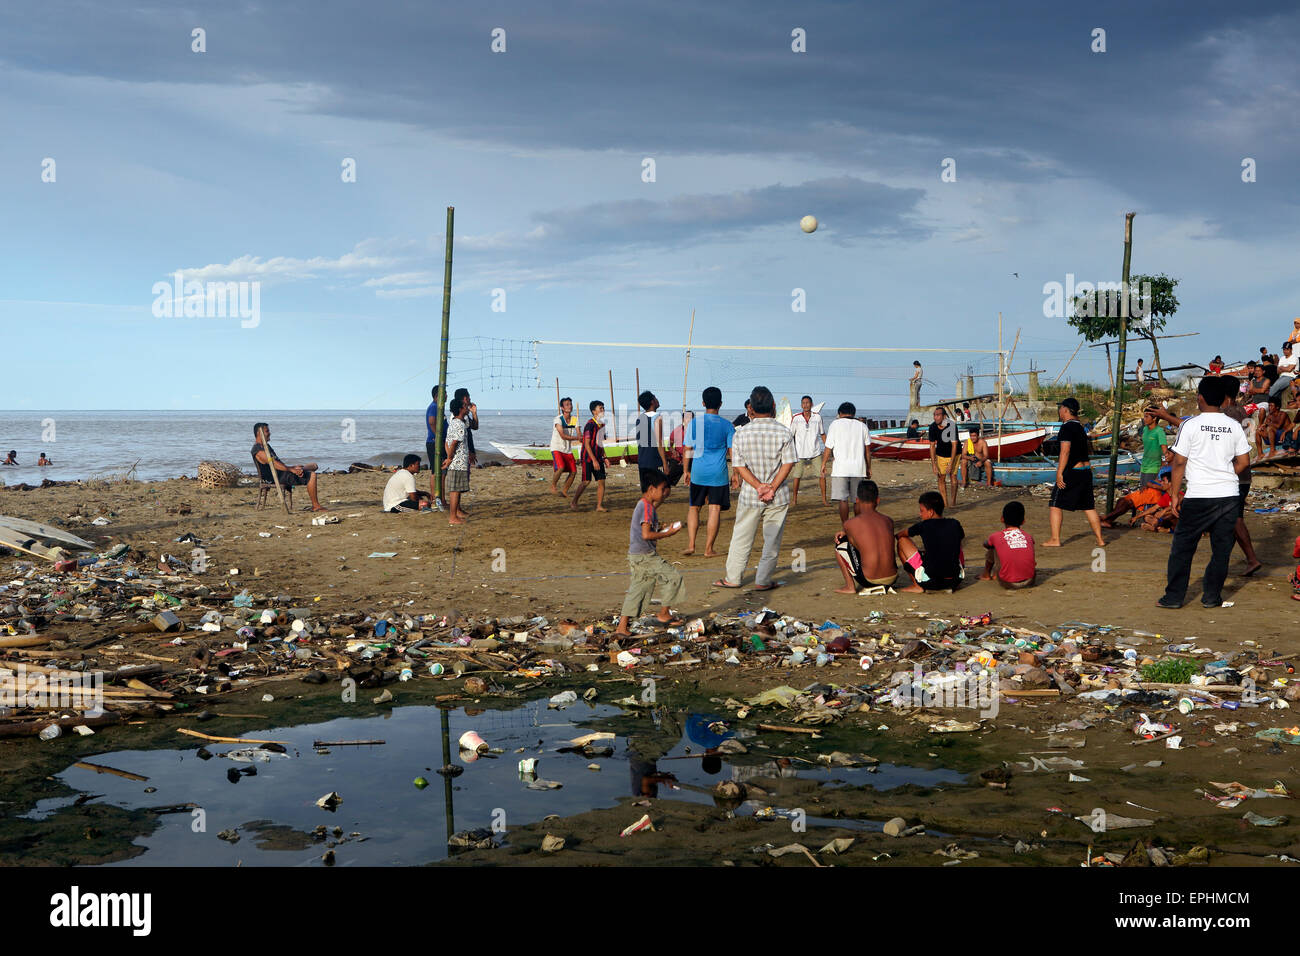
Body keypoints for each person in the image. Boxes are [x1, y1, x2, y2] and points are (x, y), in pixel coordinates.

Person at [1157, 376, 1251, 609]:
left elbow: (1179, 463)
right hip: (1229, 495)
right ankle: (1211, 597)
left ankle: (1174, 597)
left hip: (1199, 495)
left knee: (1183, 547)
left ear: (1200, 397)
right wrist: (1227, 475)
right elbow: (1244, 461)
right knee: (1221, 550)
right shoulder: (1234, 426)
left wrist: (1176, 494)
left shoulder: (1191, 425)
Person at [714, 386, 796, 591]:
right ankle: (763, 580)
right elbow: (788, 464)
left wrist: (759, 486)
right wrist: (771, 486)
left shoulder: (741, 433)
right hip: (777, 495)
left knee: (741, 536)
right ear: (774, 406)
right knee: (772, 540)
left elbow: (739, 466)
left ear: (751, 408)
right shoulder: (784, 432)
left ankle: (733, 578)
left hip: (751, 494)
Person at [615, 469, 686, 637]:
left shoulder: (645, 506)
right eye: (662, 491)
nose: (663, 495)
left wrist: (661, 528)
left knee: (638, 590)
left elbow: (646, 530)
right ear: (652, 489)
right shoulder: (646, 507)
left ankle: (622, 627)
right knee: (673, 577)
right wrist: (668, 533)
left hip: (637, 555)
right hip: (644, 556)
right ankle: (664, 614)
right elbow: (647, 535)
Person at [1043, 398, 1104, 548]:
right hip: (1085, 470)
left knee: (1055, 504)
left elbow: (1065, 451)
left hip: (1073, 471)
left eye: (1060, 408)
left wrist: (1059, 473)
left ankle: (1055, 539)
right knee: (1089, 507)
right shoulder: (1080, 427)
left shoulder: (1066, 427)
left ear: (1065, 410)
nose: (1059, 411)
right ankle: (1100, 539)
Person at [683, 387, 735, 557]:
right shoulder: (727, 425)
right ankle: (708, 549)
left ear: (703, 403)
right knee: (714, 509)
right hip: (718, 474)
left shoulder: (695, 423)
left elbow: (688, 449)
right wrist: (736, 473)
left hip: (698, 471)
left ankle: (691, 545)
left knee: (694, 507)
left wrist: (686, 470)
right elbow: (732, 451)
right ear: (721, 403)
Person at [1219, 375, 1263, 576]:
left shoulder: (1227, 413)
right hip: (1242, 473)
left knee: (1234, 518)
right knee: (1231, 518)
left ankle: (1251, 559)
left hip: (1235, 473)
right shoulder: (1240, 410)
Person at [833, 479, 898, 593]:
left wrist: (846, 534)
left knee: (840, 541)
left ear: (857, 500)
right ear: (877, 500)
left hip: (869, 580)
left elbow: (858, 544)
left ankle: (849, 586)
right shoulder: (888, 520)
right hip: (892, 578)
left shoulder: (850, 523)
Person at [896, 491, 965, 593]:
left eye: (922, 511)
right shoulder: (954, 523)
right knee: (956, 541)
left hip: (930, 581)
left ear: (931, 512)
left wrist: (894, 536)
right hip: (955, 580)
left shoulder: (923, 525)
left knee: (902, 541)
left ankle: (917, 585)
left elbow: (901, 535)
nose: (920, 514)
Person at [251, 423, 325, 511]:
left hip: (282, 473)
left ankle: (301, 469)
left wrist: (292, 468)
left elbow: (277, 463)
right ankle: (316, 506)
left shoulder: (266, 446)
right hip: (276, 478)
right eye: (267, 431)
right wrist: (291, 470)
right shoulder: (258, 450)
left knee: (313, 466)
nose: (269, 433)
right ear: (260, 433)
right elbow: (273, 463)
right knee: (312, 475)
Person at [821, 401, 872, 524]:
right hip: (858, 468)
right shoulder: (862, 426)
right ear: (853, 413)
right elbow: (867, 451)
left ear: (840, 413)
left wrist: (823, 463)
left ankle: (846, 525)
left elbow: (828, 447)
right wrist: (868, 467)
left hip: (840, 469)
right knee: (857, 500)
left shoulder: (835, 425)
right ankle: (858, 524)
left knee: (843, 500)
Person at [982, 500, 1036, 589]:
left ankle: (986, 574)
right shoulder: (1028, 536)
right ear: (1023, 521)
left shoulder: (996, 536)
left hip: (1007, 582)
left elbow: (986, 544)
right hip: (1030, 580)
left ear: (1002, 519)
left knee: (992, 547)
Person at [788, 396, 826, 507]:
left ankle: (824, 500)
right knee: (797, 476)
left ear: (811, 404)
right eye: (803, 403)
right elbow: (791, 436)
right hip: (799, 452)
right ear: (801, 405)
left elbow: (822, 434)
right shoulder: (796, 418)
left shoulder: (817, 417)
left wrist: (828, 449)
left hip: (816, 452)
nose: (805, 405)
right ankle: (794, 499)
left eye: (807, 403)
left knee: (822, 475)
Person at [1100, 469, 1172, 528]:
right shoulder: (1164, 469)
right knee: (1122, 501)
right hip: (1143, 496)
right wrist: (1151, 485)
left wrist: (1154, 486)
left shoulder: (1170, 494)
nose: (1162, 482)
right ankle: (1108, 520)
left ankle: (1106, 518)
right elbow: (1150, 483)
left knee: (1128, 503)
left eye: (1163, 481)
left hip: (1152, 500)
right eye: (1161, 481)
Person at [572, 400, 609, 512]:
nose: (602, 410)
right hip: (587, 457)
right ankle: (574, 501)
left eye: (603, 408)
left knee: (601, 480)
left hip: (598, 456)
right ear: (594, 411)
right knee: (586, 481)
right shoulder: (590, 425)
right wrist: (594, 460)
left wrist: (605, 458)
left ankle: (599, 506)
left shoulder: (602, 425)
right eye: (600, 408)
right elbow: (586, 444)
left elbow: (601, 443)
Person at [636, 391, 672, 492]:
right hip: (653, 461)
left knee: (647, 492)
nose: (657, 399)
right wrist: (665, 463)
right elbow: (659, 442)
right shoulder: (657, 417)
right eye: (655, 397)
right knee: (663, 490)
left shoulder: (640, 418)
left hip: (642, 460)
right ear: (652, 401)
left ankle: (645, 508)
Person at [444, 397, 471, 524]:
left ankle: (455, 514)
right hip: (458, 462)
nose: (467, 408)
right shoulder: (459, 425)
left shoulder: (453, 422)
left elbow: (446, 442)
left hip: (455, 461)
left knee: (456, 489)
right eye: (465, 406)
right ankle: (452, 517)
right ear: (460, 409)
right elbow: (454, 443)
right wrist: (449, 458)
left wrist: (448, 457)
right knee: (455, 490)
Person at [927, 407, 959, 508]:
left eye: (938, 415)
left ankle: (953, 502)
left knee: (953, 476)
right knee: (941, 478)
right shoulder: (932, 427)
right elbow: (932, 446)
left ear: (944, 416)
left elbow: (954, 445)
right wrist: (933, 465)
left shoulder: (952, 426)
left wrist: (950, 464)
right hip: (941, 454)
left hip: (955, 453)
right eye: (934, 415)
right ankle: (945, 503)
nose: (935, 417)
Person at [1138, 408, 1169, 485]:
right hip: (1144, 465)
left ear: (1154, 418)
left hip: (1154, 467)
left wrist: (1164, 464)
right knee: (1143, 490)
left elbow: (1165, 450)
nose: (1144, 419)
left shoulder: (1159, 431)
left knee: (1149, 491)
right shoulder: (1145, 429)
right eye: (1144, 416)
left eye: (1146, 417)